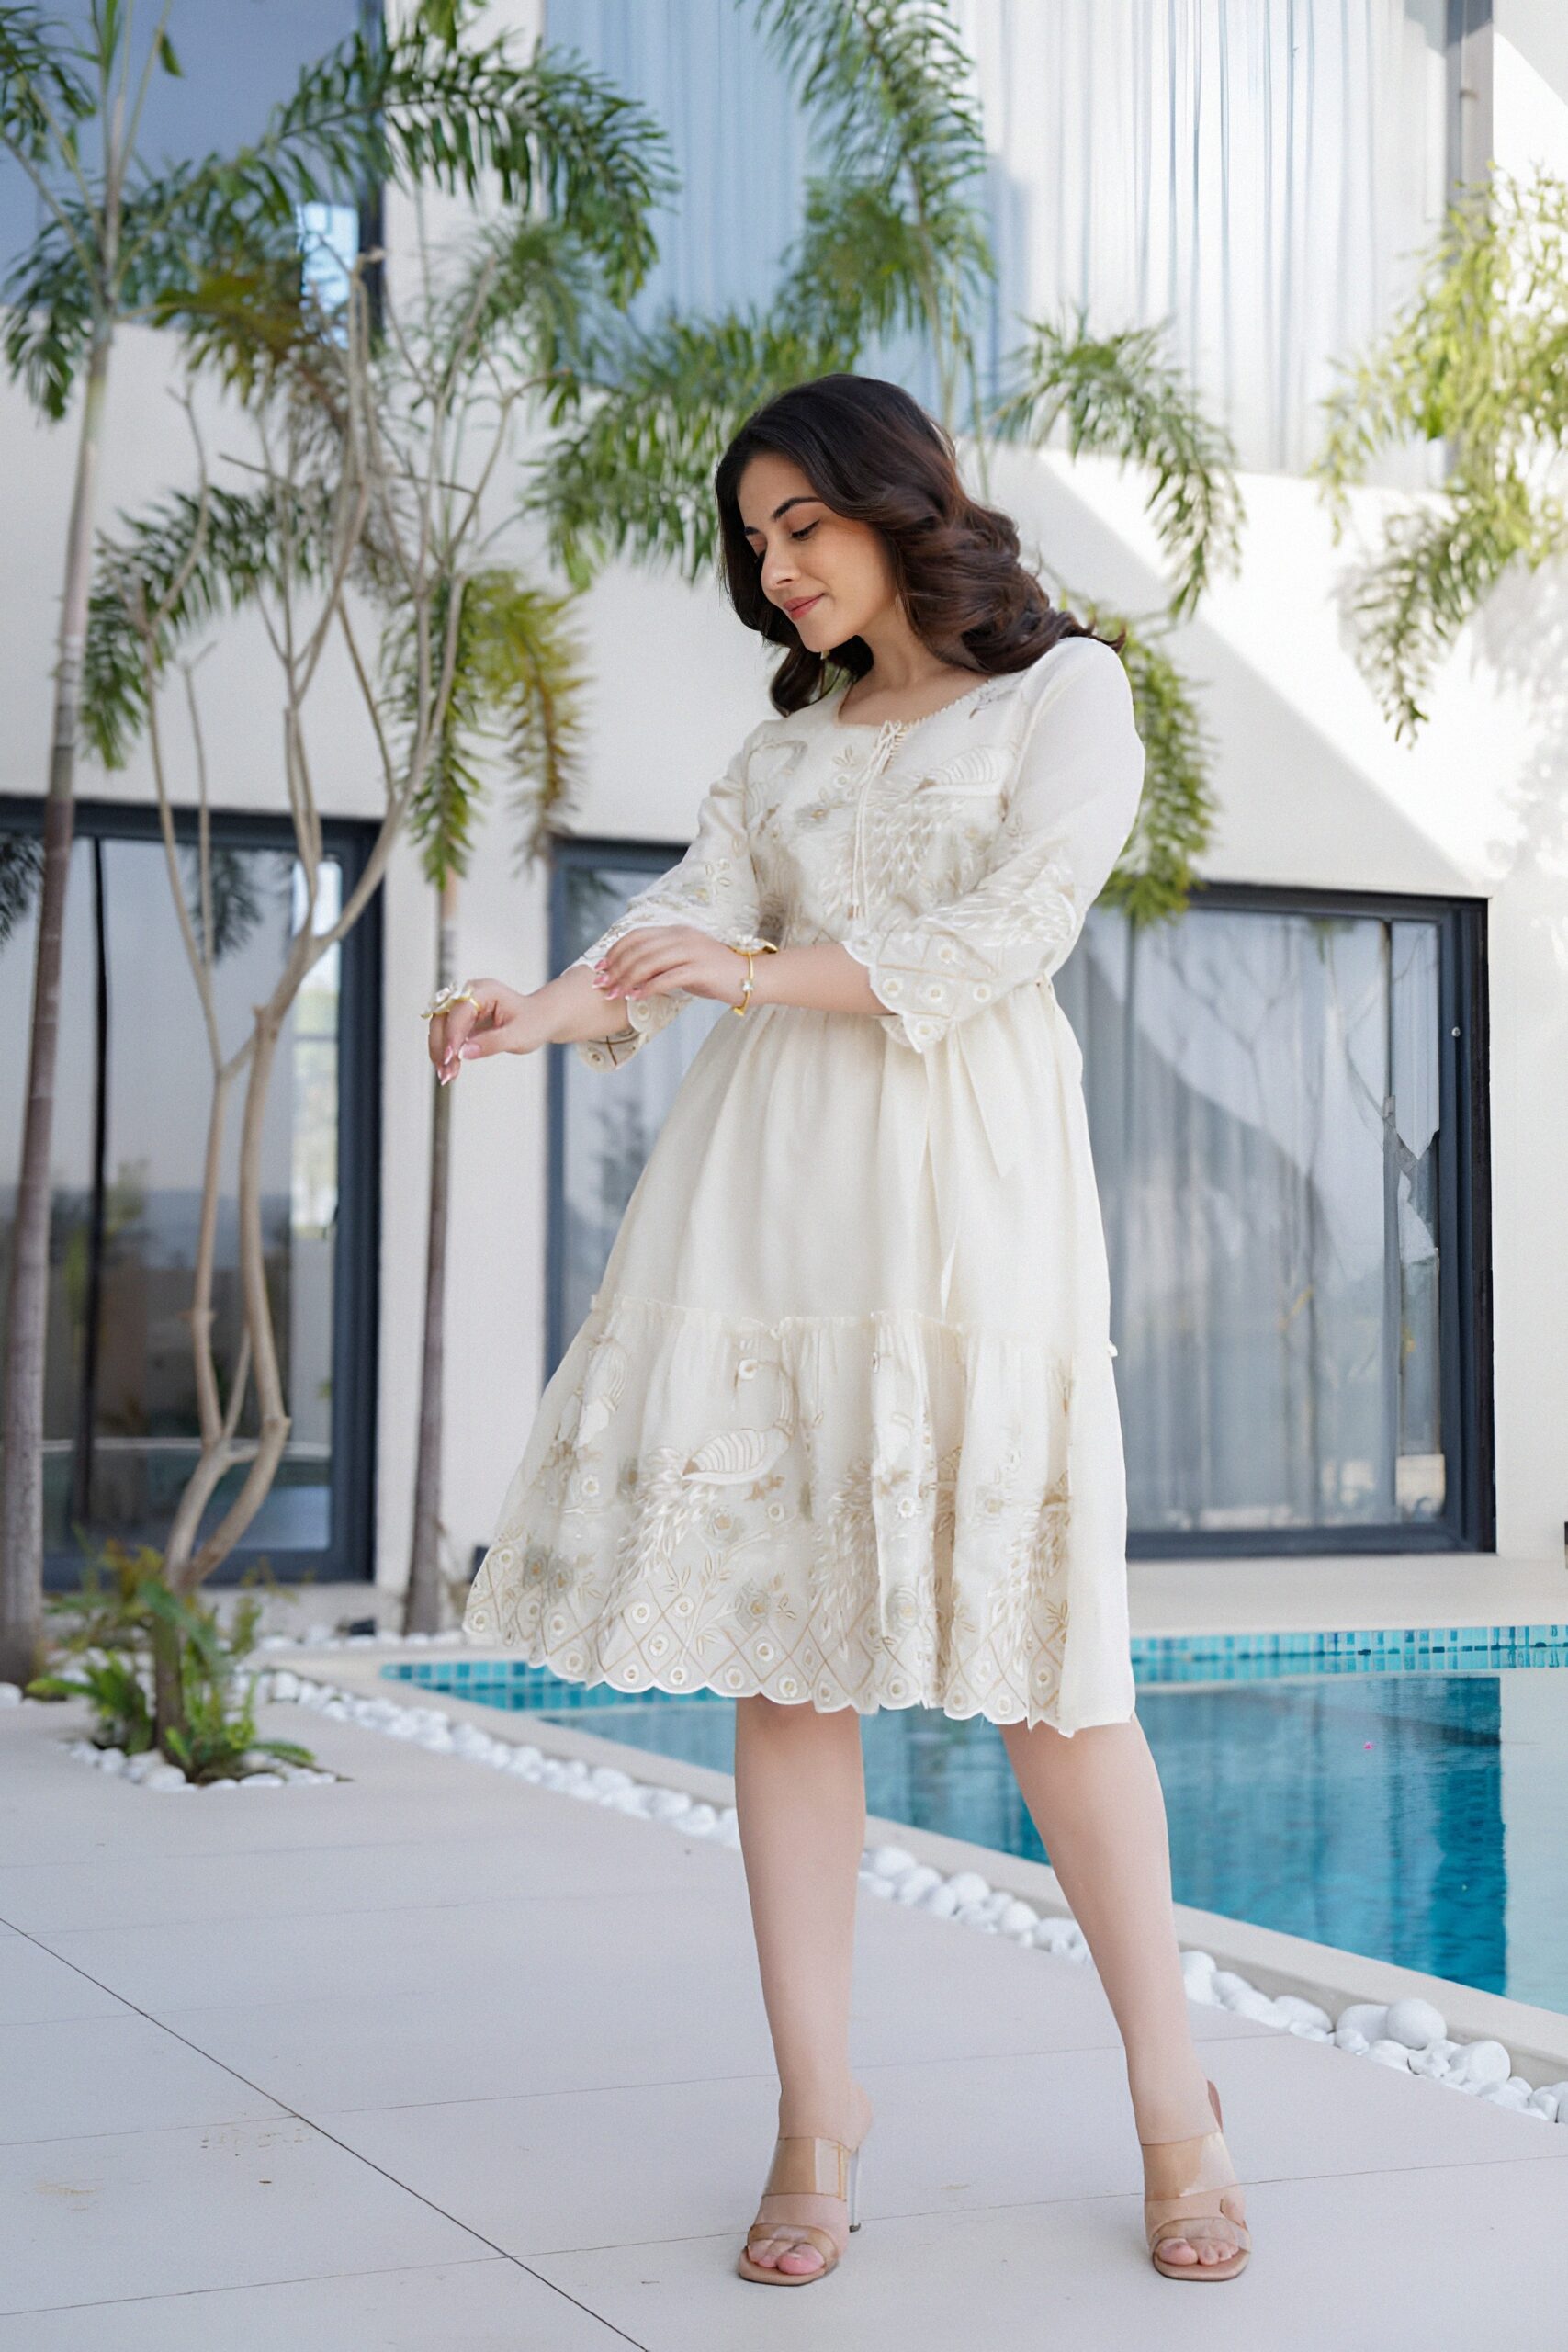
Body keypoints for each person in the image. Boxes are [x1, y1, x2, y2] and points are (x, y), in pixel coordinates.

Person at [425, 373, 1250, 2288]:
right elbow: (678, 929)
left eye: (800, 522)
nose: (776, 565)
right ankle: (815, 2112)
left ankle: (1176, 2107)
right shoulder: (781, 748)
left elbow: (1016, 929)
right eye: (753, 539)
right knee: (779, 1665)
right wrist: (532, 1012)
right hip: (768, 1200)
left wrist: (751, 970)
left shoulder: (1066, 695)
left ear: (897, 502)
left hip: (971, 1205)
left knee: (1055, 1681)